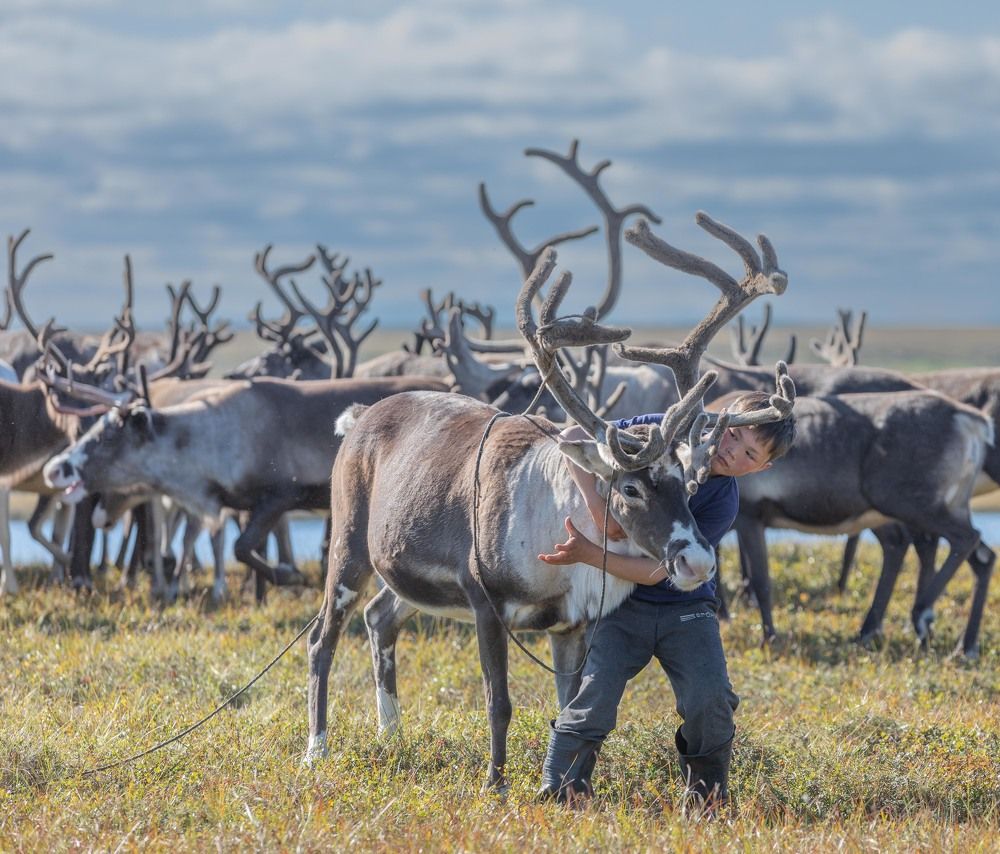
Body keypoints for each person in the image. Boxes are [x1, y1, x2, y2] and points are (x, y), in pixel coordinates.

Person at [536, 390, 796, 812]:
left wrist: (590, 553)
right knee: (594, 694)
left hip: (684, 609)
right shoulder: (664, 430)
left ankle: (706, 797)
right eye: (735, 436)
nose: (733, 453)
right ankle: (563, 790)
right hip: (621, 605)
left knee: (710, 699)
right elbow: (572, 435)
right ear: (723, 419)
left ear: (762, 468)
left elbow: (660, 572)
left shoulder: (723, 502)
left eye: (750, 454)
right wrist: (598, 508)